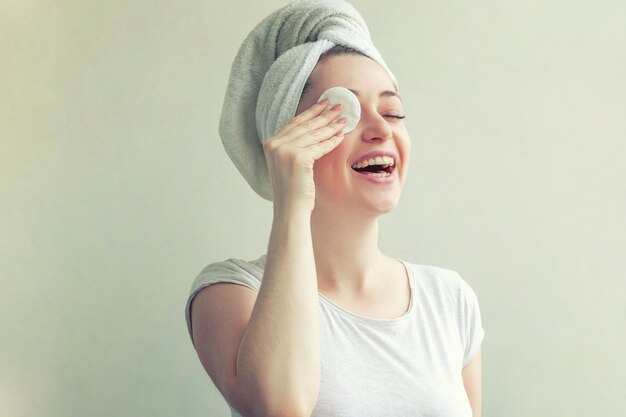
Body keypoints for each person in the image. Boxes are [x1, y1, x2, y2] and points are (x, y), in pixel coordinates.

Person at [185, 1, 484, 416]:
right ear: (289, 142)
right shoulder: (232, 292)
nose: (381, 129)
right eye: (345, 114)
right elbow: (280, 406)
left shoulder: (449, 300)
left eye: (393, 111)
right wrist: (291, 202)